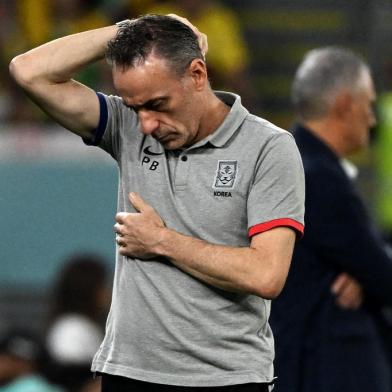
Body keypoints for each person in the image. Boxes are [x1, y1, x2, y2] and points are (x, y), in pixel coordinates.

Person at [10, 14, 305, 391]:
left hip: (226, 379)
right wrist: (131, 30)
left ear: (197, 74)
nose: (146, 124)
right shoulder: (127, 127)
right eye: (136, 108)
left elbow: (267, 274)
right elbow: (28, 71)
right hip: (128, 373)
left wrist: (161, 242)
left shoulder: (268, 148)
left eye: (157, 103)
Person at [270, 46, 392, 392]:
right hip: (321, 367)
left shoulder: (293, 161)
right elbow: (384, 277)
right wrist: (371, 271)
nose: (371, 119)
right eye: (367, 105)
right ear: (344, 104)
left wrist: (365, 270)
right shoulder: (318, 176)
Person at [45, 254, 110, 392]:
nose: (108, 293)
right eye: (103, 286)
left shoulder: (87, 326)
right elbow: (70, 379)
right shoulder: (71, 328)